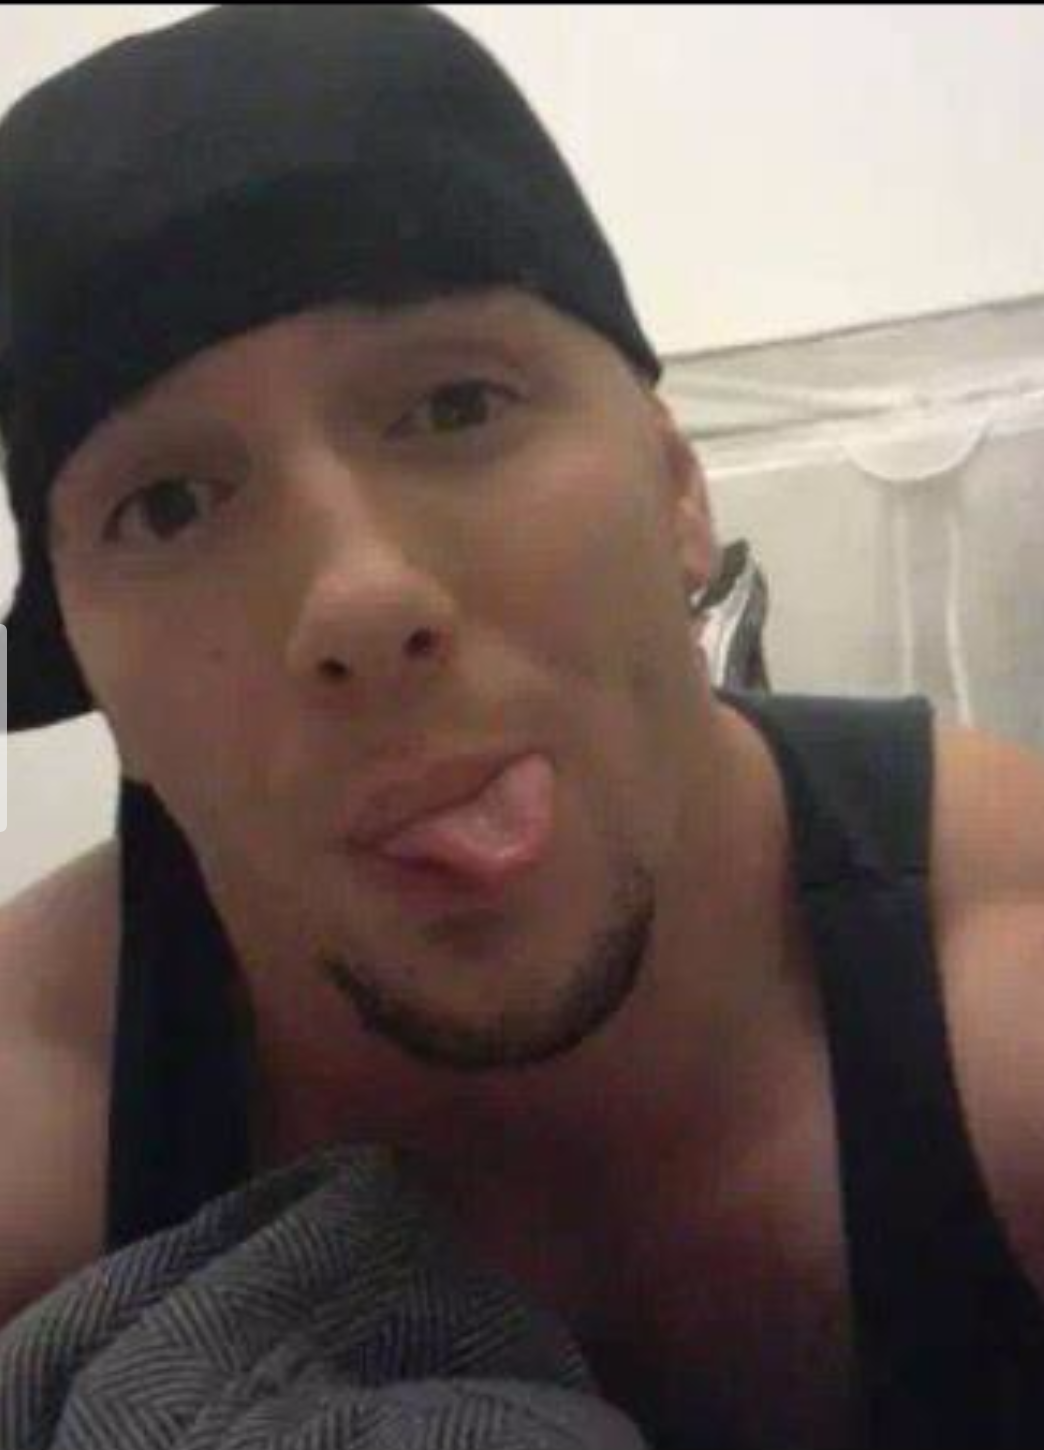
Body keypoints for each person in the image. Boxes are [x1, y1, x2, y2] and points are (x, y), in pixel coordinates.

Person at [1, 7, 1044, 1447]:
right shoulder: (39, 1134)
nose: (360, 600)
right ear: (87, 663)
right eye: (169, 504)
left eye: (453, 405)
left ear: (678, 488)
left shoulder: (1008, 993)